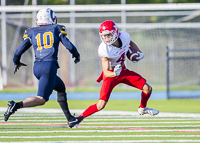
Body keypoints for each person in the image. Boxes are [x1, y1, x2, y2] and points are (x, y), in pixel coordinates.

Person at [72, 20, 159, 128]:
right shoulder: (104, 49)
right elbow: (106, 72)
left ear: (116, 33)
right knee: (101, 105)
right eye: (104, 35)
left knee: (147, 88)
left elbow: (130, 43)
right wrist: (114, 73)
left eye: (109, 34)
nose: (107, 38)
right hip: (111, 75)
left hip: (123, 71)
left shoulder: (125, 37)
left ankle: (142, 108)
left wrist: (138, 52)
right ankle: (78, 119)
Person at [4, 8, 82, 128]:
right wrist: (76, 55)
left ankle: (70, 119)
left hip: (37, 67)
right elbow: (69, 46)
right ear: (52, 18)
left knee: (60, 87)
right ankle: (16, 105)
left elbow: (18, 52)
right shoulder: (56, 29)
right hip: (49, 66)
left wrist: (17, 62)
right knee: (41, 99)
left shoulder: (31, 32)